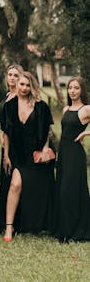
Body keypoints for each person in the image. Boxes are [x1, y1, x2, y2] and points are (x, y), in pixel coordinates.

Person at [2, 71, 55, 241]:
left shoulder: (41, 106)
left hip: (36, 154)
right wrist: (6, 156)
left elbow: (47, 130)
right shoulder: (9, 106)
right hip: (17, 154)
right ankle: (9, 228)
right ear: (16, 84)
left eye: (27, 85)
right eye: (21, 84)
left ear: (32, 87)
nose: (24, 88)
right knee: (15, 185)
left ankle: (37, 225)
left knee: (37, 190)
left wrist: (46, 149)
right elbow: (6, 133)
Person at [53, 77, 90, 242]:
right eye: (70, 88)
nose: (72, 91)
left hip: (76, 154)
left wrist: (85, 133)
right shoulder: (66, 109)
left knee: (69, 191)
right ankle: (64, 229)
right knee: (62, 190)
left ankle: (75, 231)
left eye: (76, 88)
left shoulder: (86, 109)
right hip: (64, 153)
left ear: (82, 90)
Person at [0, 64, 24, 227]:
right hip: (4, 144)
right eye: (10, 75)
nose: (12, 78)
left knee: (16, 181)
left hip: (17, 144)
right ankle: (5, 219)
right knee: (5, 179)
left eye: (15, 75)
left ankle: (17, 220)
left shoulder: (21, 98)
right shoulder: (7, 96)